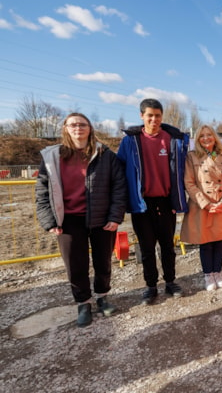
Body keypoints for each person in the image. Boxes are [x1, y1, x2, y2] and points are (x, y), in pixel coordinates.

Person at [36, 113, 127, 327]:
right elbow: (41, 191)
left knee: (103, 260)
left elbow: (119, 187)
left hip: (101, 217)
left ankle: (102, 297)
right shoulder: (52, 157)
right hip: (68, 220)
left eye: (82, 124)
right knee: (75, 264)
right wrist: (49, 221)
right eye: (73, 124)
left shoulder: (105, 155)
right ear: (65, 128)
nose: (78, 128)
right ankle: (83, 302)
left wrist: (115, 216)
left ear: (90, 128)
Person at [117, 98, 189, 305]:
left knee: (167, 246)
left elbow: (197, 155)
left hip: (166, 201)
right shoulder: (130, 141)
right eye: (149, 115)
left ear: (162, 116)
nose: (154, 119)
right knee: (147, 247)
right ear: (142, 116)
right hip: (142, 203)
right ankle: (150, 286)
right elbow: (119, 169)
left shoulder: (173, 139)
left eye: (157, 115)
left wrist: (215, 152)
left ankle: (170, 282)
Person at [180, 125, 222, 291]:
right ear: (198, 139)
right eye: (202, 136)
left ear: (214, 138)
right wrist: (205, 204)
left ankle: (218, 272)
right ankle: (208, 274)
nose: (206, 138)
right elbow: (189, 182)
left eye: (209, 135)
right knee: (205, 241)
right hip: (202, 206)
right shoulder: (191, 157)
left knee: (220, 241)